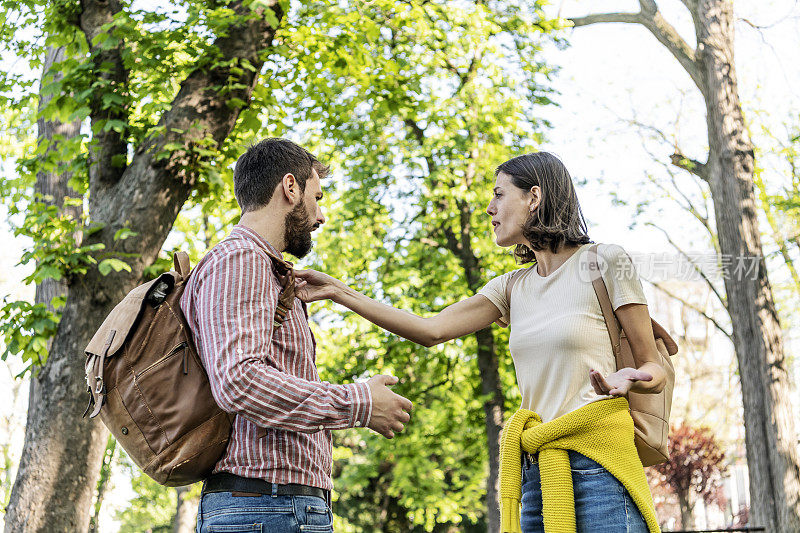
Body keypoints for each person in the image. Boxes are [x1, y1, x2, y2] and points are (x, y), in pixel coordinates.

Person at [295, 152, 664, 532]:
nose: (490, 208)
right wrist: (338, 291)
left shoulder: (605, 262)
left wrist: (631, 377)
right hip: (537, 473)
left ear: (533, 197)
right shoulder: (511, 286)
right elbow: (429, 329)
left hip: (599, 467)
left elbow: (652, 365)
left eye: (499, 194)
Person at [180, 138, 413, 533]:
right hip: (265, 506)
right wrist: (359, 402)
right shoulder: (242, 259)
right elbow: (238, 381)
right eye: (317, 198)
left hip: (275, 506)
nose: (320, 216)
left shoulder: (261, 268)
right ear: (291, 188)